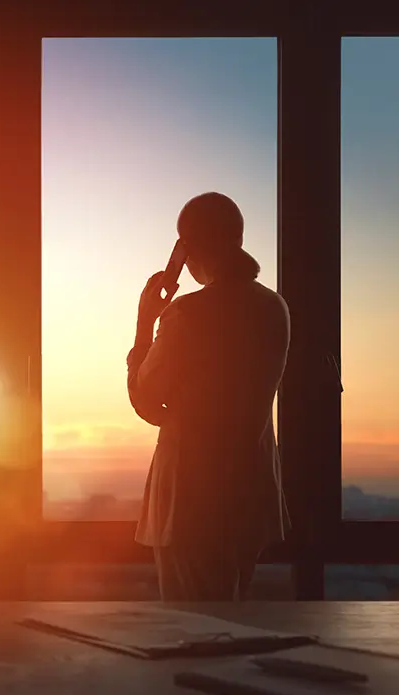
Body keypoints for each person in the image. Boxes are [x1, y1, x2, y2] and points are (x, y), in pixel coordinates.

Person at [126, 192, 291, 601]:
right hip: (250, 493)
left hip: (189, 501)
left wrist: (145, 324)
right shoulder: (274, 307)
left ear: (188, 248)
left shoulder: (186, 314)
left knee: (195, 628)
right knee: (234, 618)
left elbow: (146, 400)